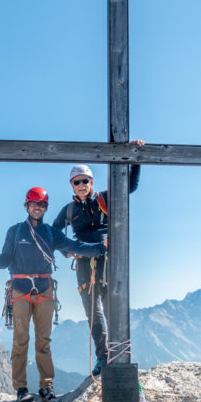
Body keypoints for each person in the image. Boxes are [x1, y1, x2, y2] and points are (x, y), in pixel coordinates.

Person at [0, 187, 107, 402]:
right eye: (33, 203)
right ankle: (21, 388)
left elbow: (75, 246)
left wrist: (101, 248)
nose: (37, 207)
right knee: (20, 340)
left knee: (43, 341)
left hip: (44, 290)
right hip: (20, 290)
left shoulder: (51, 233)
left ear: (46, 207)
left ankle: (47, 387)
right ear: (26, 206)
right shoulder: (15, 232)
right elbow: (4, 261)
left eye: (42, 204)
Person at [51, 140, 145, 377]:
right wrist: (65, 251)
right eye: (77, 182)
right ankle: (103, 356)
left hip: (106, 257)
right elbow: (53, 232)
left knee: (112, 305)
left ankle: (117, 354)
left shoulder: (104, 198)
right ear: (72, 185)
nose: (81, 185)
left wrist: (136, 159)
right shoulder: (69, 211)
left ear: (91, 182)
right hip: (84, 260)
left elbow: (129, 187)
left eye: (85, 181)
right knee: (93, 310)